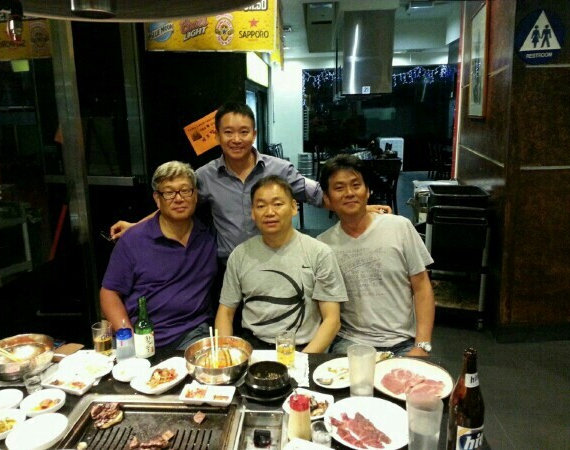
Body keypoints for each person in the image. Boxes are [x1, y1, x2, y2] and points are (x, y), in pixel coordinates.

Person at [110, 102, 390, 264]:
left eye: (243, 132)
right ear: (217, 136)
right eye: (228, 132)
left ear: (253, 134)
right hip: (227, 266)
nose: (236, 139)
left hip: (278, 261)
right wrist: (136, 226)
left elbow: (318, 194)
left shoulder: (279, 169)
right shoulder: (205, 175)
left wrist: (359, 208)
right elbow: (175, 203)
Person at [317, 155, 435, 357]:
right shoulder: (323, 245)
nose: (349, 193)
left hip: (403, 341)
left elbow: (422, 287)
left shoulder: (400, 227)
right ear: (327, 198)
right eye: (339, 188)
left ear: (368, 191)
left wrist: (422, 345)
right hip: (350, 342)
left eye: (356, 185)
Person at [215, 175, 346, 353]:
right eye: (261, 206)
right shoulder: (240, 255)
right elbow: (226, 312)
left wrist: (302, 360)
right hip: (253, 348)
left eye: (277, 204)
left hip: (303, 349)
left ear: (293, 207)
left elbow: (332, 320)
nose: (269, 212)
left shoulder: (319, 253)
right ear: (252, 213)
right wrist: (225, 352)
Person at [100, 161, 217, 351]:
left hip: (193, 334)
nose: (178, 199)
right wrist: (128, 338)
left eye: (185, 190)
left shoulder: (208, 237)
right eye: (169, 192)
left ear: (195, 195)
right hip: (141, 336)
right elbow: (109, 293)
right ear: (157, 198)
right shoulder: (133, 240)